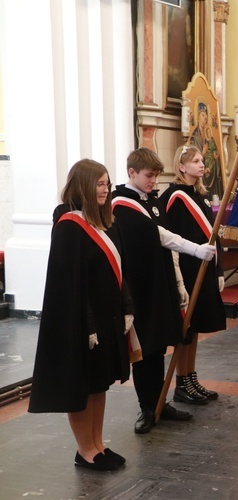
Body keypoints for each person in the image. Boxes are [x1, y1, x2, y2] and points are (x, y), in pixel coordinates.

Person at [28, 159, 131, 471]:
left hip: (107, 319)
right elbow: (69, 284)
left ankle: (98, 445)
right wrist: (88, 325)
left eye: (107, 183)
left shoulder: (103, 222)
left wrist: (127, 307)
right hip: (83, 324)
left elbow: (120, 272)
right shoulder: (69, 227)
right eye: (99, 184)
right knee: (84, 387)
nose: (105, 189)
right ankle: (85, 450)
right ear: (84, 185)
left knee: (100, 384)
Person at [112, 148, 217, 434]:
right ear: (131, 173)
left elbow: (167, 248)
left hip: (161, 284)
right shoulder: (122, 204)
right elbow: (161, 236)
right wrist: (195, 249)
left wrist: (179, 284)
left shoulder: (153, 202)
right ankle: (147, 407)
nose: (153, 181)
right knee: (145, 348)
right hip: (140, 287)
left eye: (157, 175)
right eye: (148, 175)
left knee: (159, 345)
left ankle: (160, 401)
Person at [160, 145, 227, 404]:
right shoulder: (175, 196)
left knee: (196, 326)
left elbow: (211, 232)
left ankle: (191, 378)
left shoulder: (200, 194)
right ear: (181, 166)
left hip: (204, 266)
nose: (202, 165)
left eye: (202, 160)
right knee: (185, 328)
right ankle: (181, 383)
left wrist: (218, 268)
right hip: (187, 269)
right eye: (196, 161)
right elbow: (172, 237)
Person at [189, 103, 222, 200]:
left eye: (206, 116)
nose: (205, 118)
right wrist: (203, 152)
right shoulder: (195, 136)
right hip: (201, 176)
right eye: (203, 115)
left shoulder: (209, 135)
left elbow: (214, 152)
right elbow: (192, 159)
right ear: (197, 116)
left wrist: (216, 157)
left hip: (210, 172)